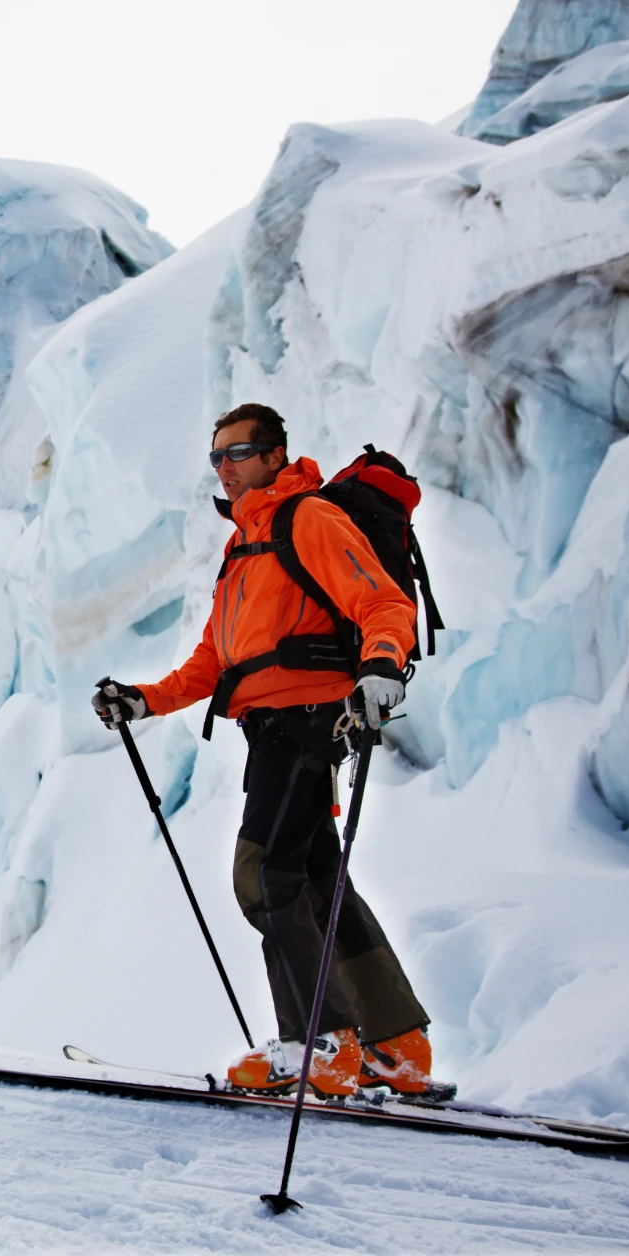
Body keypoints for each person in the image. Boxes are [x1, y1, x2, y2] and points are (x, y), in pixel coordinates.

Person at [91, 402, 433, 1099]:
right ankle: (397, 1043)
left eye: (240, 451)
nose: (227, 466)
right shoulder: (244, 548)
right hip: (270, 728)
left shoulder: (308, 519)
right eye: (217, 456)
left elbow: (385, 605)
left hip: (309, 721)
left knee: (264, 876)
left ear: (276, 453)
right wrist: (144, 699)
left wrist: (382, 665)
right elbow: (215, 659)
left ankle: (320, 1046)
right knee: (313, 880)